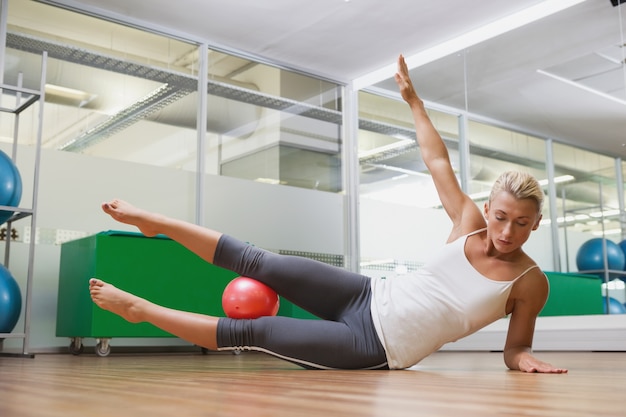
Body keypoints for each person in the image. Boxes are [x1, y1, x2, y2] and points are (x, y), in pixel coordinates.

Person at [89, 54, 567, 373]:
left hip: (376, 347)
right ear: (488, 209)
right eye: (501, 217)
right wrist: (414, 102)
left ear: (536, 224)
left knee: (252, 330)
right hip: (365, 293)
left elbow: (515, 348)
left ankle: (141, 311)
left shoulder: (529, 282)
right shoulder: (468, 221)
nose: (507, 231)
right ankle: (155, 222)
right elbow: (436, 161)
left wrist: (524, 359)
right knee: (260, 262)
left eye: (521, 223)